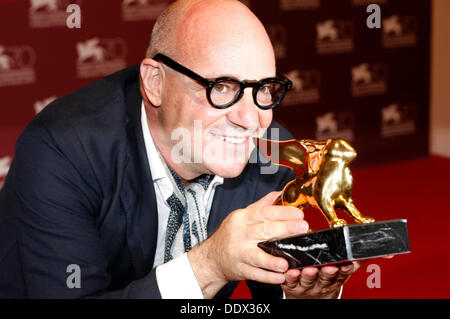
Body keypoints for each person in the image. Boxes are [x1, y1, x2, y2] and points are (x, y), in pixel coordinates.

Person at [0, 0, 360, 299]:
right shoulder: (61, 149)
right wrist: (209, 265)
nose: (251, 119)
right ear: (155, 83)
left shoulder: (268, 151)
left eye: (265, 89)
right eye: (222, 87)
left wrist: (302, 296)